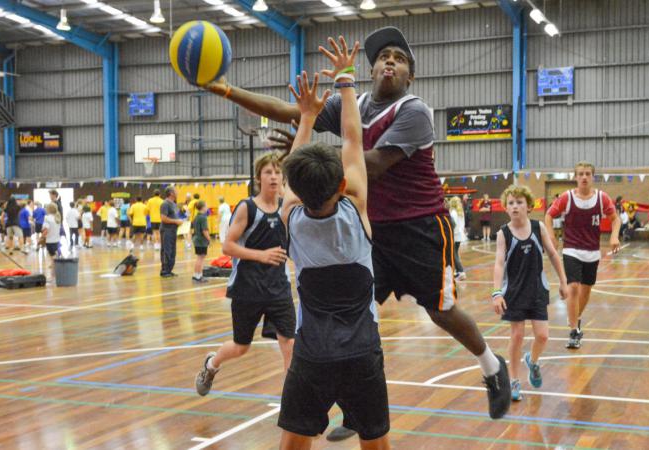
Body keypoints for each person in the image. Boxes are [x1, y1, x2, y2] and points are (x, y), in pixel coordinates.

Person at [205, 28, 511, 438]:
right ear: (368, 71)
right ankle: (356, 402)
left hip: (421, 225)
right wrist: (226, 89)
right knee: (358, 309)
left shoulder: (414, 109)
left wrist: (305, 159)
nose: (390, 61)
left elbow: (368, 163)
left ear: (410, 75)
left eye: (399, 58)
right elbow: (288, 108)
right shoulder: (358, 103)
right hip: (373, 228)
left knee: (439, 309)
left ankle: (492, 365)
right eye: (383, 56)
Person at [279, 42, 388, 449]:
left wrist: (305, 117)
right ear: (341, 185)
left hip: (312, 355)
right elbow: (352, 139)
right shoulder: (356, 206)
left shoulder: (291, 218)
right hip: (362, 352)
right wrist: (345, 81)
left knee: (293, 444)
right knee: (376, 443)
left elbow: (294, 175)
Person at [195, 150, 295, 407]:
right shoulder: (246, 208)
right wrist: (261, 256)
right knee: (241, 346)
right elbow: (227, 247)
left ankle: (293, 400)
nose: (273, 177)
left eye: (277, 172)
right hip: (247, 289)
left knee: (290, 342)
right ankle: (211, 364)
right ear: (259, 178)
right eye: (268, 172)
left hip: (278, 288)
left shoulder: (287, 208)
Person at [492, 185, 567, 401]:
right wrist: (496, 293)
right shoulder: (503, 233)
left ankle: (532, 361)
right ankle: (514, 381)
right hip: (513, 292)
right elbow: (498, 264)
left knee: (542, 336)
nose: (515, 206)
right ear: (506, 208)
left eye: (519, 202)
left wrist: (563, 281)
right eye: (511, 203)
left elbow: (553, 254)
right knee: (516, 336)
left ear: (529, 206)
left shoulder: (538, 227)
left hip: (536, 289)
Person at [545, 161, 619, 350]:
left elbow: (615, 219)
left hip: (592, 251)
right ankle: (573, 331)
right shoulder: (566, 197)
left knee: (586, 291)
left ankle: (576, 318)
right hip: (571, 249)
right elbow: (548, 215)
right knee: (574, 287)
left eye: (587, 173)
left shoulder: (602, 198)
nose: (584, 177)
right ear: (575, 177)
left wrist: (614, 235)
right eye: (580, 174)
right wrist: (551, 236)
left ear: (592, 177)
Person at [160, 187, 183, 277]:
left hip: (173, 230)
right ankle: (164, 270)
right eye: (175, 191)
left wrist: (180, 221)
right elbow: (163, 218)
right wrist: (176, 221)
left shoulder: (174, 204)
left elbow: (174, 217)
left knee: (173, 251)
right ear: (171, 193)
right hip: (167, 230)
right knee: (167, 250)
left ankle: (169, 270)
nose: (177, 192)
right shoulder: (165, 204)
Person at [191, 200, 211, 283]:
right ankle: (198, 276)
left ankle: (196, 275)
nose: (207, 207)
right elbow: (204, 230)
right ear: (203, 207)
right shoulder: (203, 217)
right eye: (206, 206)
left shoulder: (196, 216)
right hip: (201, 241)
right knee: (201, 258)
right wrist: (209, 239)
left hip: (196, 239)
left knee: (199, 258)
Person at [41, 203, 61, 280]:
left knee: (53, 258)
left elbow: (46, 230)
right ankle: (54, 272)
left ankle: (53, 275)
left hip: (50, 241)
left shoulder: (47, 218)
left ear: (48, 210)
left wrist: (41, 237)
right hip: (56, 240)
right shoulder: (57, 218)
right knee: (54, 256)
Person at [448, 196, 466, 281]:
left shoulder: (454, 213)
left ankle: (461, 271)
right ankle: (455, 271)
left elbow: (453, 224)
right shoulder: (460, 212)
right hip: (459, 235)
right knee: (454, 253)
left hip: (455, 235)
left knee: (453, 254)